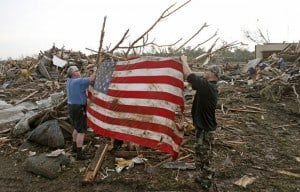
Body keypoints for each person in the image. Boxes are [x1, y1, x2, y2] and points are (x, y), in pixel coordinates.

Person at [181, 55, 219, 190]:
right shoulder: (206, 86)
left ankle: (207, 182)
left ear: (213, 74)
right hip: (201, 128)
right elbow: (191, 83)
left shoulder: (209, 87)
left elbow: (190, 77)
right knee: (199, 153)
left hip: (206, 130)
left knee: (206, 157)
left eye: (207, 70)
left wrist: (184, 60)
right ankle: (201, 176)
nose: (204, 72)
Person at [66, 65, 95, 160]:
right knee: (81, 131)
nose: (79, 71)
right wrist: (94, 70)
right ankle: (79, 154)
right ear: (74, 74)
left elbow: (84, 80)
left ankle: (74, 148)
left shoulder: (69, 81)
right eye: (78, 70)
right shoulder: (79, 81)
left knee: (76, 127)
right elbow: (92, 78)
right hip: (78, 108)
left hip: (71, 107)